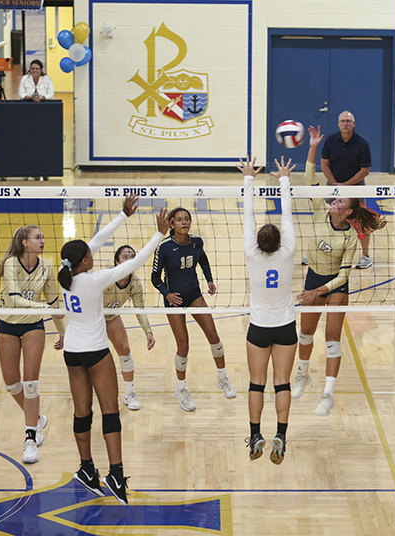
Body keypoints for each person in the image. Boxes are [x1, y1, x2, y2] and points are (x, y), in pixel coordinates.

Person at [57, 196, 168, 505]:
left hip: (71, 352)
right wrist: (158, 234)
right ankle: (115, 475)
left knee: (82, 412)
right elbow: (133, 264)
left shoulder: (65, 276)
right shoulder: (94, 281)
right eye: (88, 255)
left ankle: (86, 469)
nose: (94, 253)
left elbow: (93, 242)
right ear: (84, 262)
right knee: (110, 412)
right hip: (94, 351)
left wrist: (122, 216)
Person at [293, 125, 387, 416]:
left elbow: (344, 277)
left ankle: (328, 393)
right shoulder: (321, 211)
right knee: (305, 335)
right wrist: (312, 146)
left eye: (340, 199)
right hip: (314, 278)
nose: (334, 199)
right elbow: (309, 179)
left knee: (332, 337)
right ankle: (303, 374)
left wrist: (315, 293)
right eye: (335, 197)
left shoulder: (350, 238)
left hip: (334, 286)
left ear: (347, 211)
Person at [240, 155, 298, 464]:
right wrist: (284, 178)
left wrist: (249, 177)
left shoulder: (252, 253)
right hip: (286, 326)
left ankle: (255, 434)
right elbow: (287, 213)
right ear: (278, 242)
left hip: (259, 327)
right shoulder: (288, 252)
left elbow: (247, 214)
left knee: (256, 383)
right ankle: (281, 435)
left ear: (260, 243)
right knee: (282, 383)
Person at [151, 207, 236, 412]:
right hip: (175, 299)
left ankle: (222, 378)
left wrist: (210, 280)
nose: (184, 222)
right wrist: (167, 294)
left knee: (213, 335)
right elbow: (154, 278)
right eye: (179, 220)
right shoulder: (163, 248)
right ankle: (181, 388)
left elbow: (203, 259)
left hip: (195, 295)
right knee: (183, 345)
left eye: (187, 219)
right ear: (171, 224)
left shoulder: (197, 242)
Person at [0, 225, 65, 464]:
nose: (43, 240)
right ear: (25, 243)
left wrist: (62, 333)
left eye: (43, 237)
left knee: (31, 383)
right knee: (12, 384)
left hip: (33, 326)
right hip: (7, 323)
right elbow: (14, 299)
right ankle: (36, 417)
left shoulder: (46, 266)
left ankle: (30, 439)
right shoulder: (11, 264)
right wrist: (45, 309)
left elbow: (54, 301)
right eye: (38, 237)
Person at [103, 245, 156, 411]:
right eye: (125, 256)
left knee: (124, 349)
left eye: (133, 256)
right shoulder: (106, 278)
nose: (130, 259)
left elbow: (139, 309)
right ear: (117, 261)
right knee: (96, 357)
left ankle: (129, 393)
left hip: (111, 316)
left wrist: (148, 331)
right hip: (92, 319)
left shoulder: (135, 282)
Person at [320, 110, 374, 269]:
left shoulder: (362, 143)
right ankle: (320, 251)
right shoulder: (330, 140)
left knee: (361, 222)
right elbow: (324, 164)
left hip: (356, 188)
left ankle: (365, 256)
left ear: (354, 124)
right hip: (333, 186)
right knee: (326, 220)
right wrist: (335, 183)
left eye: (348, 121)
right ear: (338, 123)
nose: (345, 123)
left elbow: (365, 170)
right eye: (342, 121)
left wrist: (347, 185)